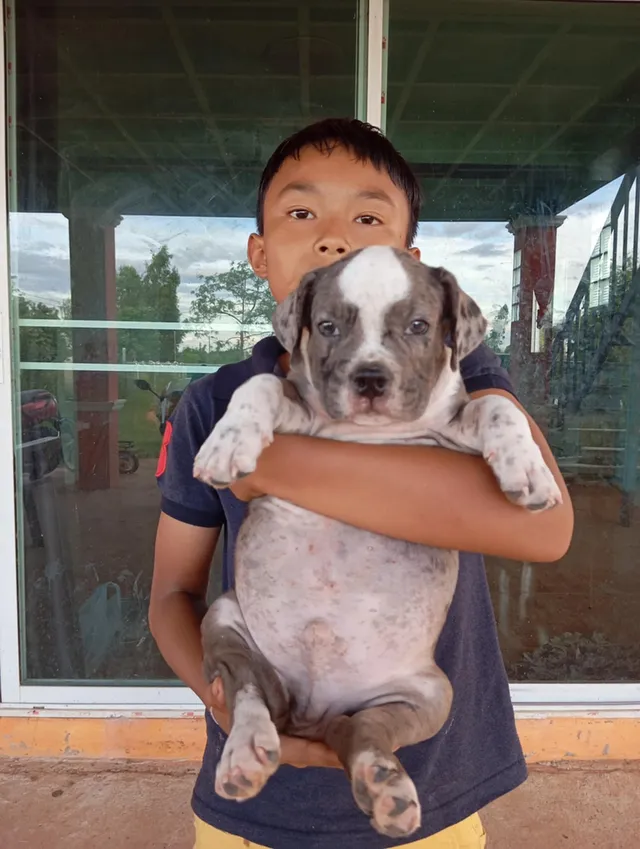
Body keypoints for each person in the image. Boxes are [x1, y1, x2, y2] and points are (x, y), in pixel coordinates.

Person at [151, 118, 573, 849]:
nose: (333, 238)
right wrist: (221, 700)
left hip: (428, 783)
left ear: (409, 263)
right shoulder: (217, 402)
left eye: (367, 218)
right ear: (260, 253)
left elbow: (545, 525)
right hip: (257, 794)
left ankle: (367, 746)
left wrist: (277, 467)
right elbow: (171, 595)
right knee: (226, 619)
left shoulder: (461, 377)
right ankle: (254, 712)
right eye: (301, 212)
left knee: (425, 699)